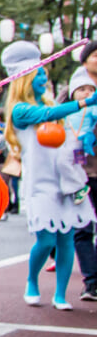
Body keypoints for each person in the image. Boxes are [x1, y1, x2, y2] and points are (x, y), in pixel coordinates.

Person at [2, 42, 97, 310]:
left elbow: (65, 131)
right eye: (40, 74)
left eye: (45, 73)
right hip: (39, 182)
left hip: (63, 181)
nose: (45, 78)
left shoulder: (51, 103)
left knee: (67, 238)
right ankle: (32, 281)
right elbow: (46, 114)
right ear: (26, 79)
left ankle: (60, 295)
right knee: (46, 239)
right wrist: (85, 101)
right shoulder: (20, 110)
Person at [68, 62, 97, 301]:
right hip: (77, 181)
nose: (87, 94)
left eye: (91, 89)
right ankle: (91, 282)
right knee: (82, 230)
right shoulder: (65, 117)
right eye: (81, 89)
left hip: (96, 176)